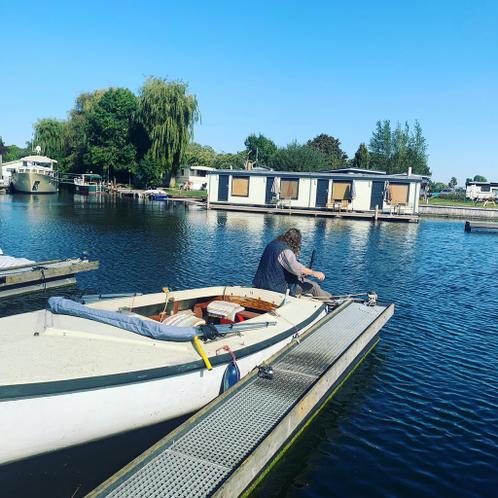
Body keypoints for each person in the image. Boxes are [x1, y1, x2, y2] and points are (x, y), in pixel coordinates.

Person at [253, 228, 331, 299]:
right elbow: (295, 266)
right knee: (314, 286)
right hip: (276, 287)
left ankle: (329, 297)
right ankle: (331, 305)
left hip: (260, 283)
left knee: (305, 281)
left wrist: (301, 274)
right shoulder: (286, 250)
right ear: (295, 242)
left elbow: (279, 266)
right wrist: (314, 273)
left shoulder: (272, 244)